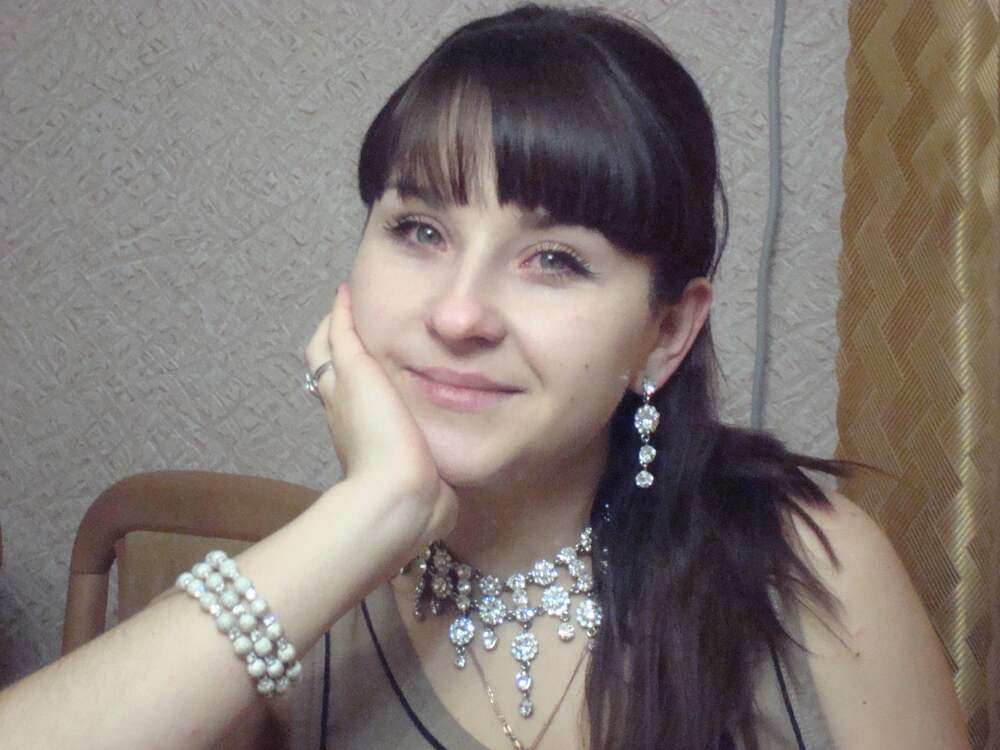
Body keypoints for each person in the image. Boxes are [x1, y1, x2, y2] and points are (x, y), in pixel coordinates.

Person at [0, 4, 969, 749]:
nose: (458, 314)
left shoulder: (810, 570)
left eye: (554, 259)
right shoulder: (314, 601)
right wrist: (371, 513)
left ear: (666, 332)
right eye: (420, 231)